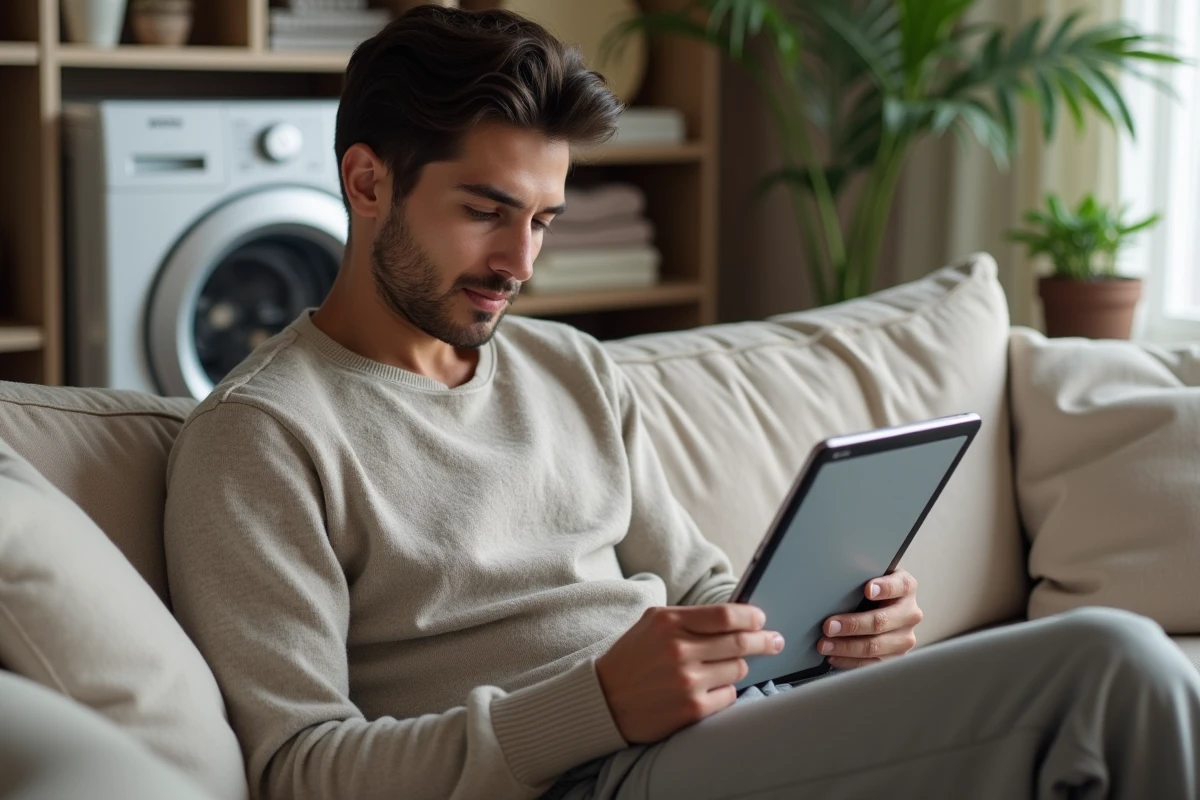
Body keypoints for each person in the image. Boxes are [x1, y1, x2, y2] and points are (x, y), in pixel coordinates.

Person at [163, 6, 1200, 800]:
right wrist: (592, 706)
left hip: (712, 732)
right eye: (485, 212)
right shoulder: (261, 437)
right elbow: (301, 766)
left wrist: (832, 628)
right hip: (589, 776)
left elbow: (706, 583)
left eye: (543, 220)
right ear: (367, 182)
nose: (517, 261)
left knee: (1109, 665)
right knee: (1111, 662)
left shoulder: (570, 369)